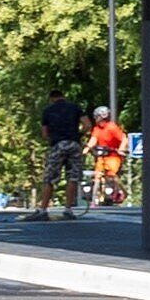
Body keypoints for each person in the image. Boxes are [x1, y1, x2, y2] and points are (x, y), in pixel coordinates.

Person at [39, 90, 87, 218]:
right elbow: (87, 124)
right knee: (73, 177)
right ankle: (68, 209)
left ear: (51, 98)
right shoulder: (75, 108)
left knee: (50, 178)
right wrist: (78, 135)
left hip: (58, 144)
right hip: (74, 144)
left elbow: (44, 134)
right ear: (63, 96)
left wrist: (53, 140)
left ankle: (43, 209)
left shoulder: (48, 111)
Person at [87, 105, 130, 206]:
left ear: (102, 117)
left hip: (113, 155)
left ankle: (121, 192)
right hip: (102, 155)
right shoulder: (96, 129)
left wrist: (121, 149)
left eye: (96, 117)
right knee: (97, 175)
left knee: (111, 175)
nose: (96, 119)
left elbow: (123, 138)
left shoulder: (112, 127)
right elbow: (93, 139)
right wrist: (87, 148)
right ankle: (93, 200)